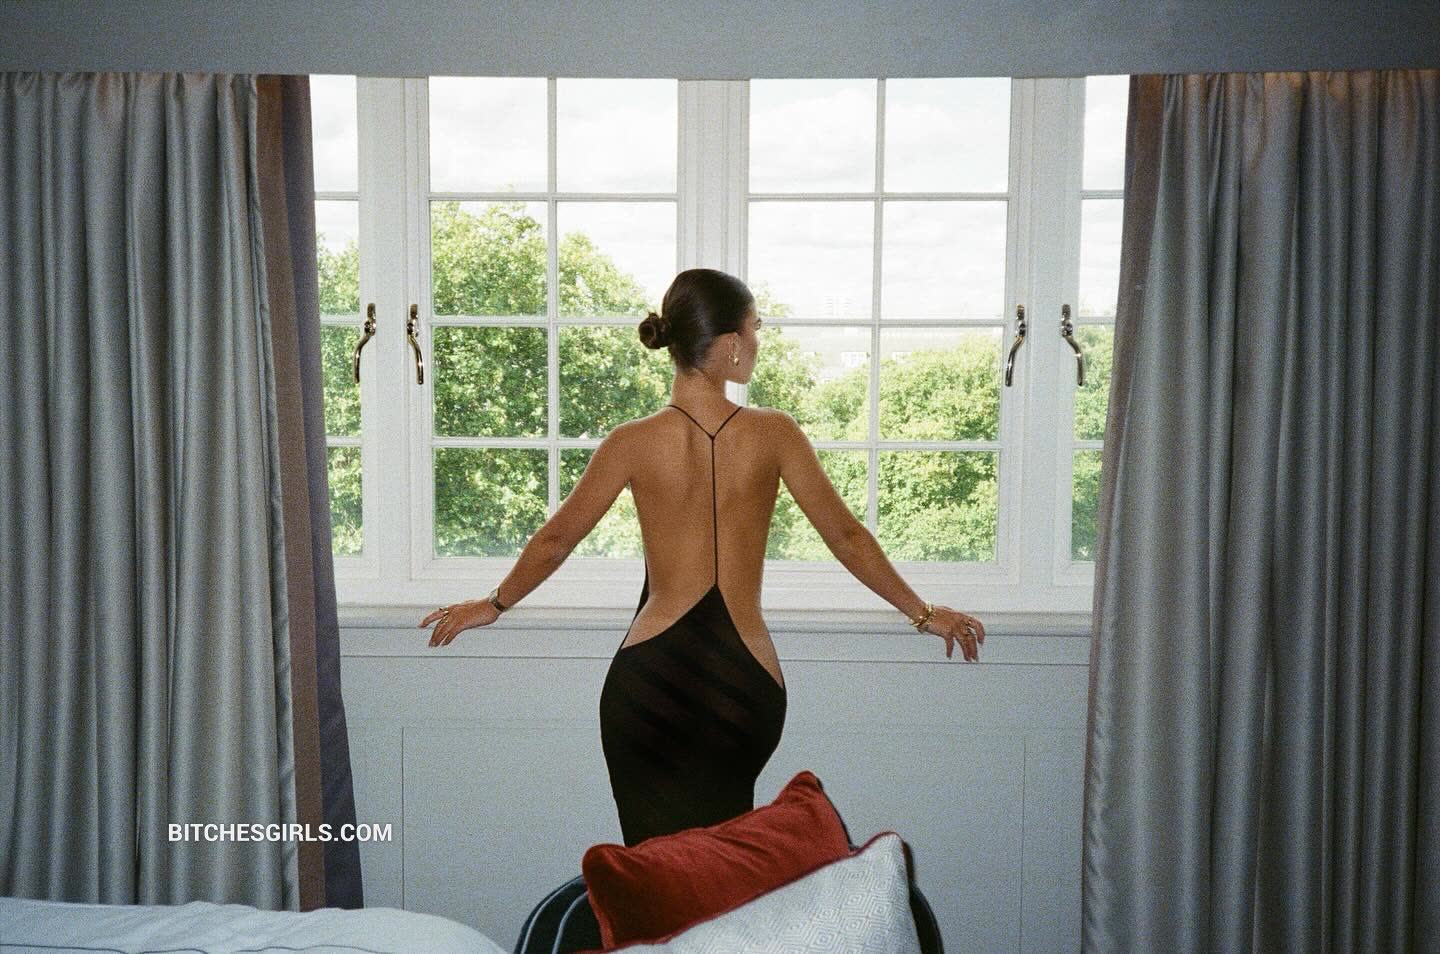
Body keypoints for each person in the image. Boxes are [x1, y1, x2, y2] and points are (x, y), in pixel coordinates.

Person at [419, 267, 986, 846]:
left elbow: (555, 540)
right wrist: (923, 614)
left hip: (650, 679)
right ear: (732, 344)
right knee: (722, 867)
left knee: (654, 866)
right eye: (756, 328)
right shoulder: (776, 433)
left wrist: (493, 604)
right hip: (742, 681)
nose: (758, 341)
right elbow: (846, 536)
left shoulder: (631, 441)